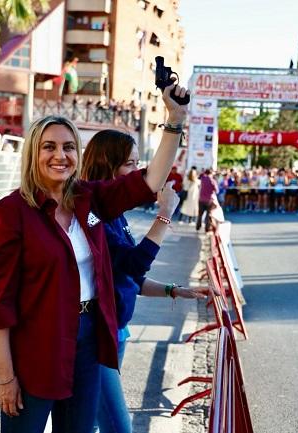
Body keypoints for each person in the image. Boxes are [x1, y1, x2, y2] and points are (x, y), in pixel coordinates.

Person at [0, 83, 189, 433]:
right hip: (37, 344)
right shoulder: (10, 212)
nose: (60, 155)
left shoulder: (90, 199)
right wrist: (5, 377)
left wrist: (174, 118)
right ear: (33, 154)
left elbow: (149, 181)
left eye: (69, 147)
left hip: (89, 338)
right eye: (49, 147)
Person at [81, 130, 207, 433]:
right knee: (114, 426)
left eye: (139, 163)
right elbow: (135, 262)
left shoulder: (116, 214)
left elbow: (131, 276)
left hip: (117, 332)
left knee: (93, 421)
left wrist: (174, 290)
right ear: (107, 166)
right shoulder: (93, 213)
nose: (138, 172)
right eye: (129, 164)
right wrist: (164, 215)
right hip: (96, 335)